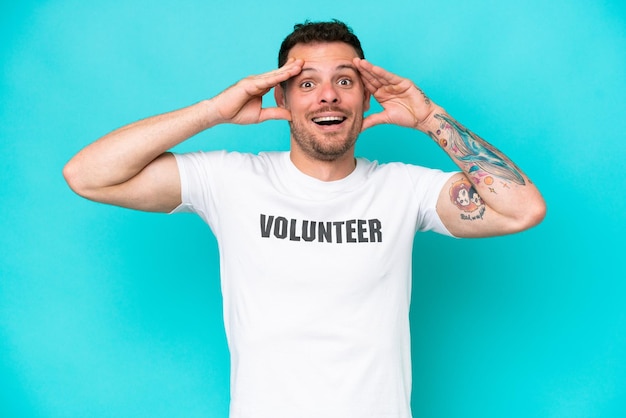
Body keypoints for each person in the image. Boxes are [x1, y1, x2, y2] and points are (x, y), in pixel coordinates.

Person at [63, 20, 545, 418]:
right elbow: (88, 175)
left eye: (344, 81)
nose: (327, 96)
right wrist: (213, 111)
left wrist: (429, 117)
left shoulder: (405, 188)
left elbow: (522, 208)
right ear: (283, 101)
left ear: (364, 98)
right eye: (306, 83)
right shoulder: (229, 179)